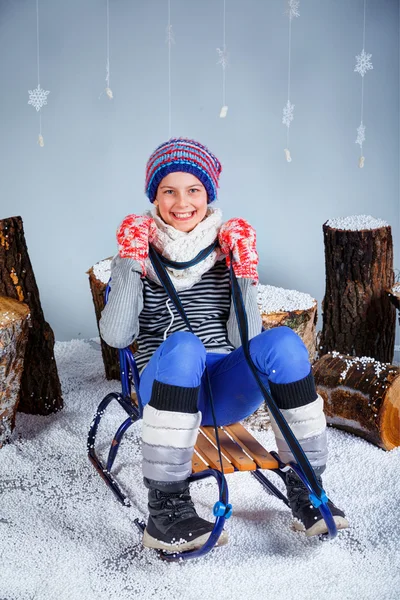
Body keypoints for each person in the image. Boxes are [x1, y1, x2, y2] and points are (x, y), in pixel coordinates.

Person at [99, 137, 348, 553]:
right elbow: (117, 336)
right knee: (184, 346)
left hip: (221, 392)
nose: (182, 202)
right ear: (154, 196)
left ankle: (307, 486)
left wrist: (244, 270)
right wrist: (129, 258)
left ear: (208, 194)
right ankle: (166, 513)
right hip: (164, 388)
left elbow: (245, 342)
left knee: (284, 342)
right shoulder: (139, 250)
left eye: (193, 189)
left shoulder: (223, 251)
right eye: (169, 191)